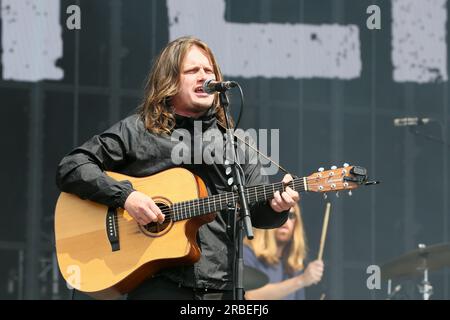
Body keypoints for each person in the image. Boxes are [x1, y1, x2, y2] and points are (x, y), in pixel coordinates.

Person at [56, 36, 299, 300]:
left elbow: (256, 212)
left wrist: (277, 208)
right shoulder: (139, 131)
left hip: (222, 287)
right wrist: (127, 196)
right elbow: (72, 166)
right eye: (192, 71)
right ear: (170, 81)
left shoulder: (238, 143)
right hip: (158, 283)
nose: (203, 76)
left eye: (208, 71)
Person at [244, 203, 324, 300]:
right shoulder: (247, 252)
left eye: (291, 216)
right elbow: (250, 295)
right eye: (281, 214)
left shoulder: (293, 263)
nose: (286, 220)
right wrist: (301, 280)